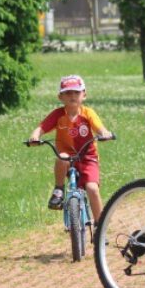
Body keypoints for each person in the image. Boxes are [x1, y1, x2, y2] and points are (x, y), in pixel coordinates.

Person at [29, 75, 113, 226]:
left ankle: (101, 227)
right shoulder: (58, 115)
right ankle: (59, 189)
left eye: (76, 92)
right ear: (60, 97)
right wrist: (35, 136)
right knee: (61, 157)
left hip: (88, 157)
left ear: (84, 95)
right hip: (68, 158)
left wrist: (104, 133)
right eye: (67, 93)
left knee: (92, 189)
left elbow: (99, 127)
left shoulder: (88, 113)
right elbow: (42, 127)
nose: (72, 96)